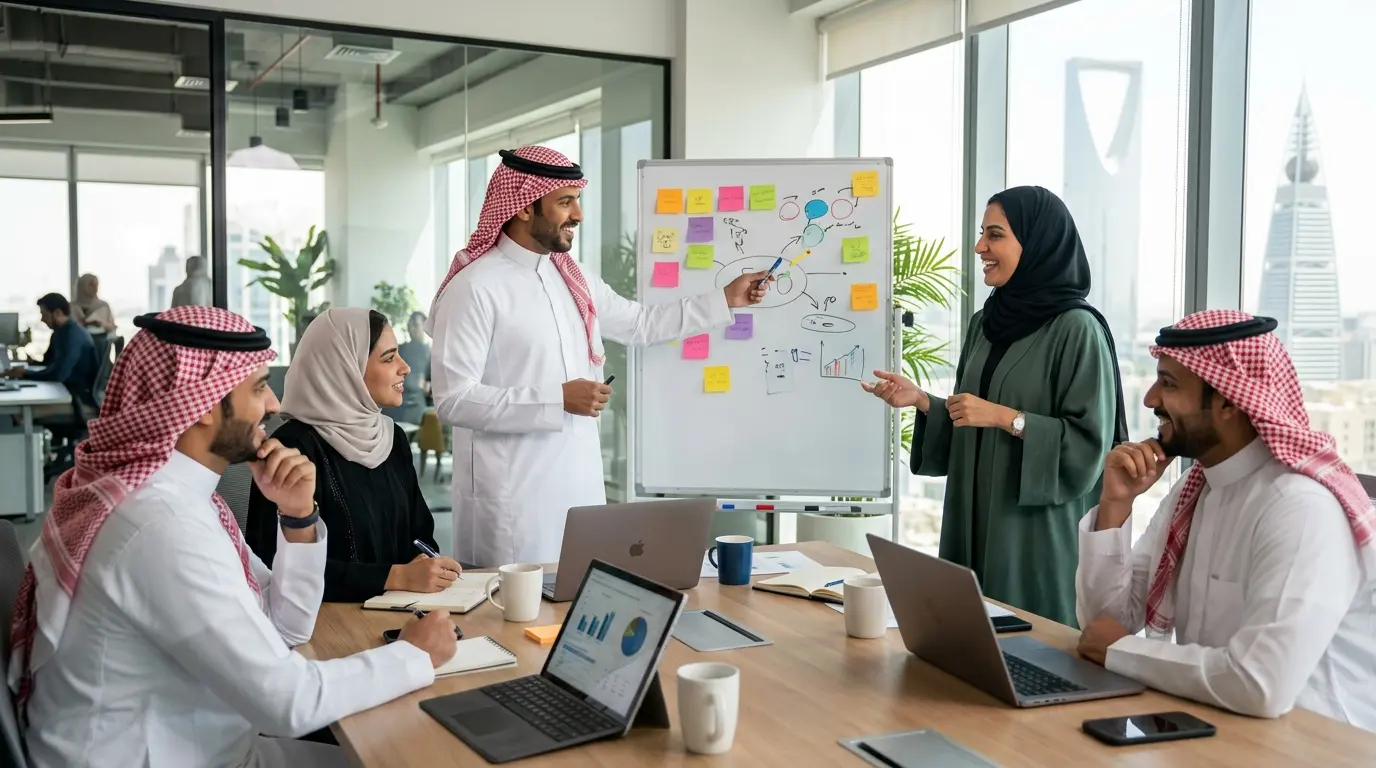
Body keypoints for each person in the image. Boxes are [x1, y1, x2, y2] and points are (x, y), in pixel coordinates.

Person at [7, 306, 459, 768]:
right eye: (259, 387)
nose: (274, 405)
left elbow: (286, 627)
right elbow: (288, 702)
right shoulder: (161, 525)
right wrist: (413, 654)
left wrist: (298, 517)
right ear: (204, 403)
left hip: (207, 746)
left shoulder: (185, 499)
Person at [428, 145, 770, 567]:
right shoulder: (474, 288)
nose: (579, 215)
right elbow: (453, 399)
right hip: (514, 498)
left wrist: (724, 299)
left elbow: (640, 323)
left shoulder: (572, 277)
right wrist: (558, 398)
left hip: (579, 487)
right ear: (523, 207)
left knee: (580, 592)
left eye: (577, 201)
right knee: (517, 605)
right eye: (565, 202)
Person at [1075, 310, 1376, 730]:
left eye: (1168, 384)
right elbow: (1103, 627)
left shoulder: (1301, 507)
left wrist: (1122, 651)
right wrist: (1115, 505)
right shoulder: (1196, 488)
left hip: (1315, 742)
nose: (1150, 400)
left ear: (1230, 401)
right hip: (1216, 725)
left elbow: (1260, 684)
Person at [863, 186, 1128, 626]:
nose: (979, 246)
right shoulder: (984, 324)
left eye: (995, 235)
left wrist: (1007, 419)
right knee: (964, 644)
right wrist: (924, 402)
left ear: (1037, 244)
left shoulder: (1077, 330)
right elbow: (971, 416)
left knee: (1031, 646)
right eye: (982, 234)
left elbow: (1090, 446)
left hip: (1029, 533)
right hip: (970, 517)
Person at [245, 308, 462, 602]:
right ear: (344, 368)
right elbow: (272, 564)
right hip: (323, 620)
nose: (405, 368)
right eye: (389, 358)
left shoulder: (392, 438)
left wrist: (427, 566)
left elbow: (421, 536)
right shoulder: (291, 448)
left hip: (405, 611)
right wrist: (395, 577)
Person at [3, 293, 100, 420]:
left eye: (44, 314)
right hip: (68, 391)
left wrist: (25, 374)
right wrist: (30, 364)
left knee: (17, 415)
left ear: (57, 313)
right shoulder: (60, 333)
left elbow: (59, 374)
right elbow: (48, 362)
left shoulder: (72, 336)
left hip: (77, 400)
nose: (42, 319)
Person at [381, 310, 431, 426]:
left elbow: (430, 382)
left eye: (416, 325)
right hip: (397, 402)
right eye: (410, 325)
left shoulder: (430, 353)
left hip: (416, 406)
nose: (412, 328)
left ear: (425, 327)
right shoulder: (400, 349)